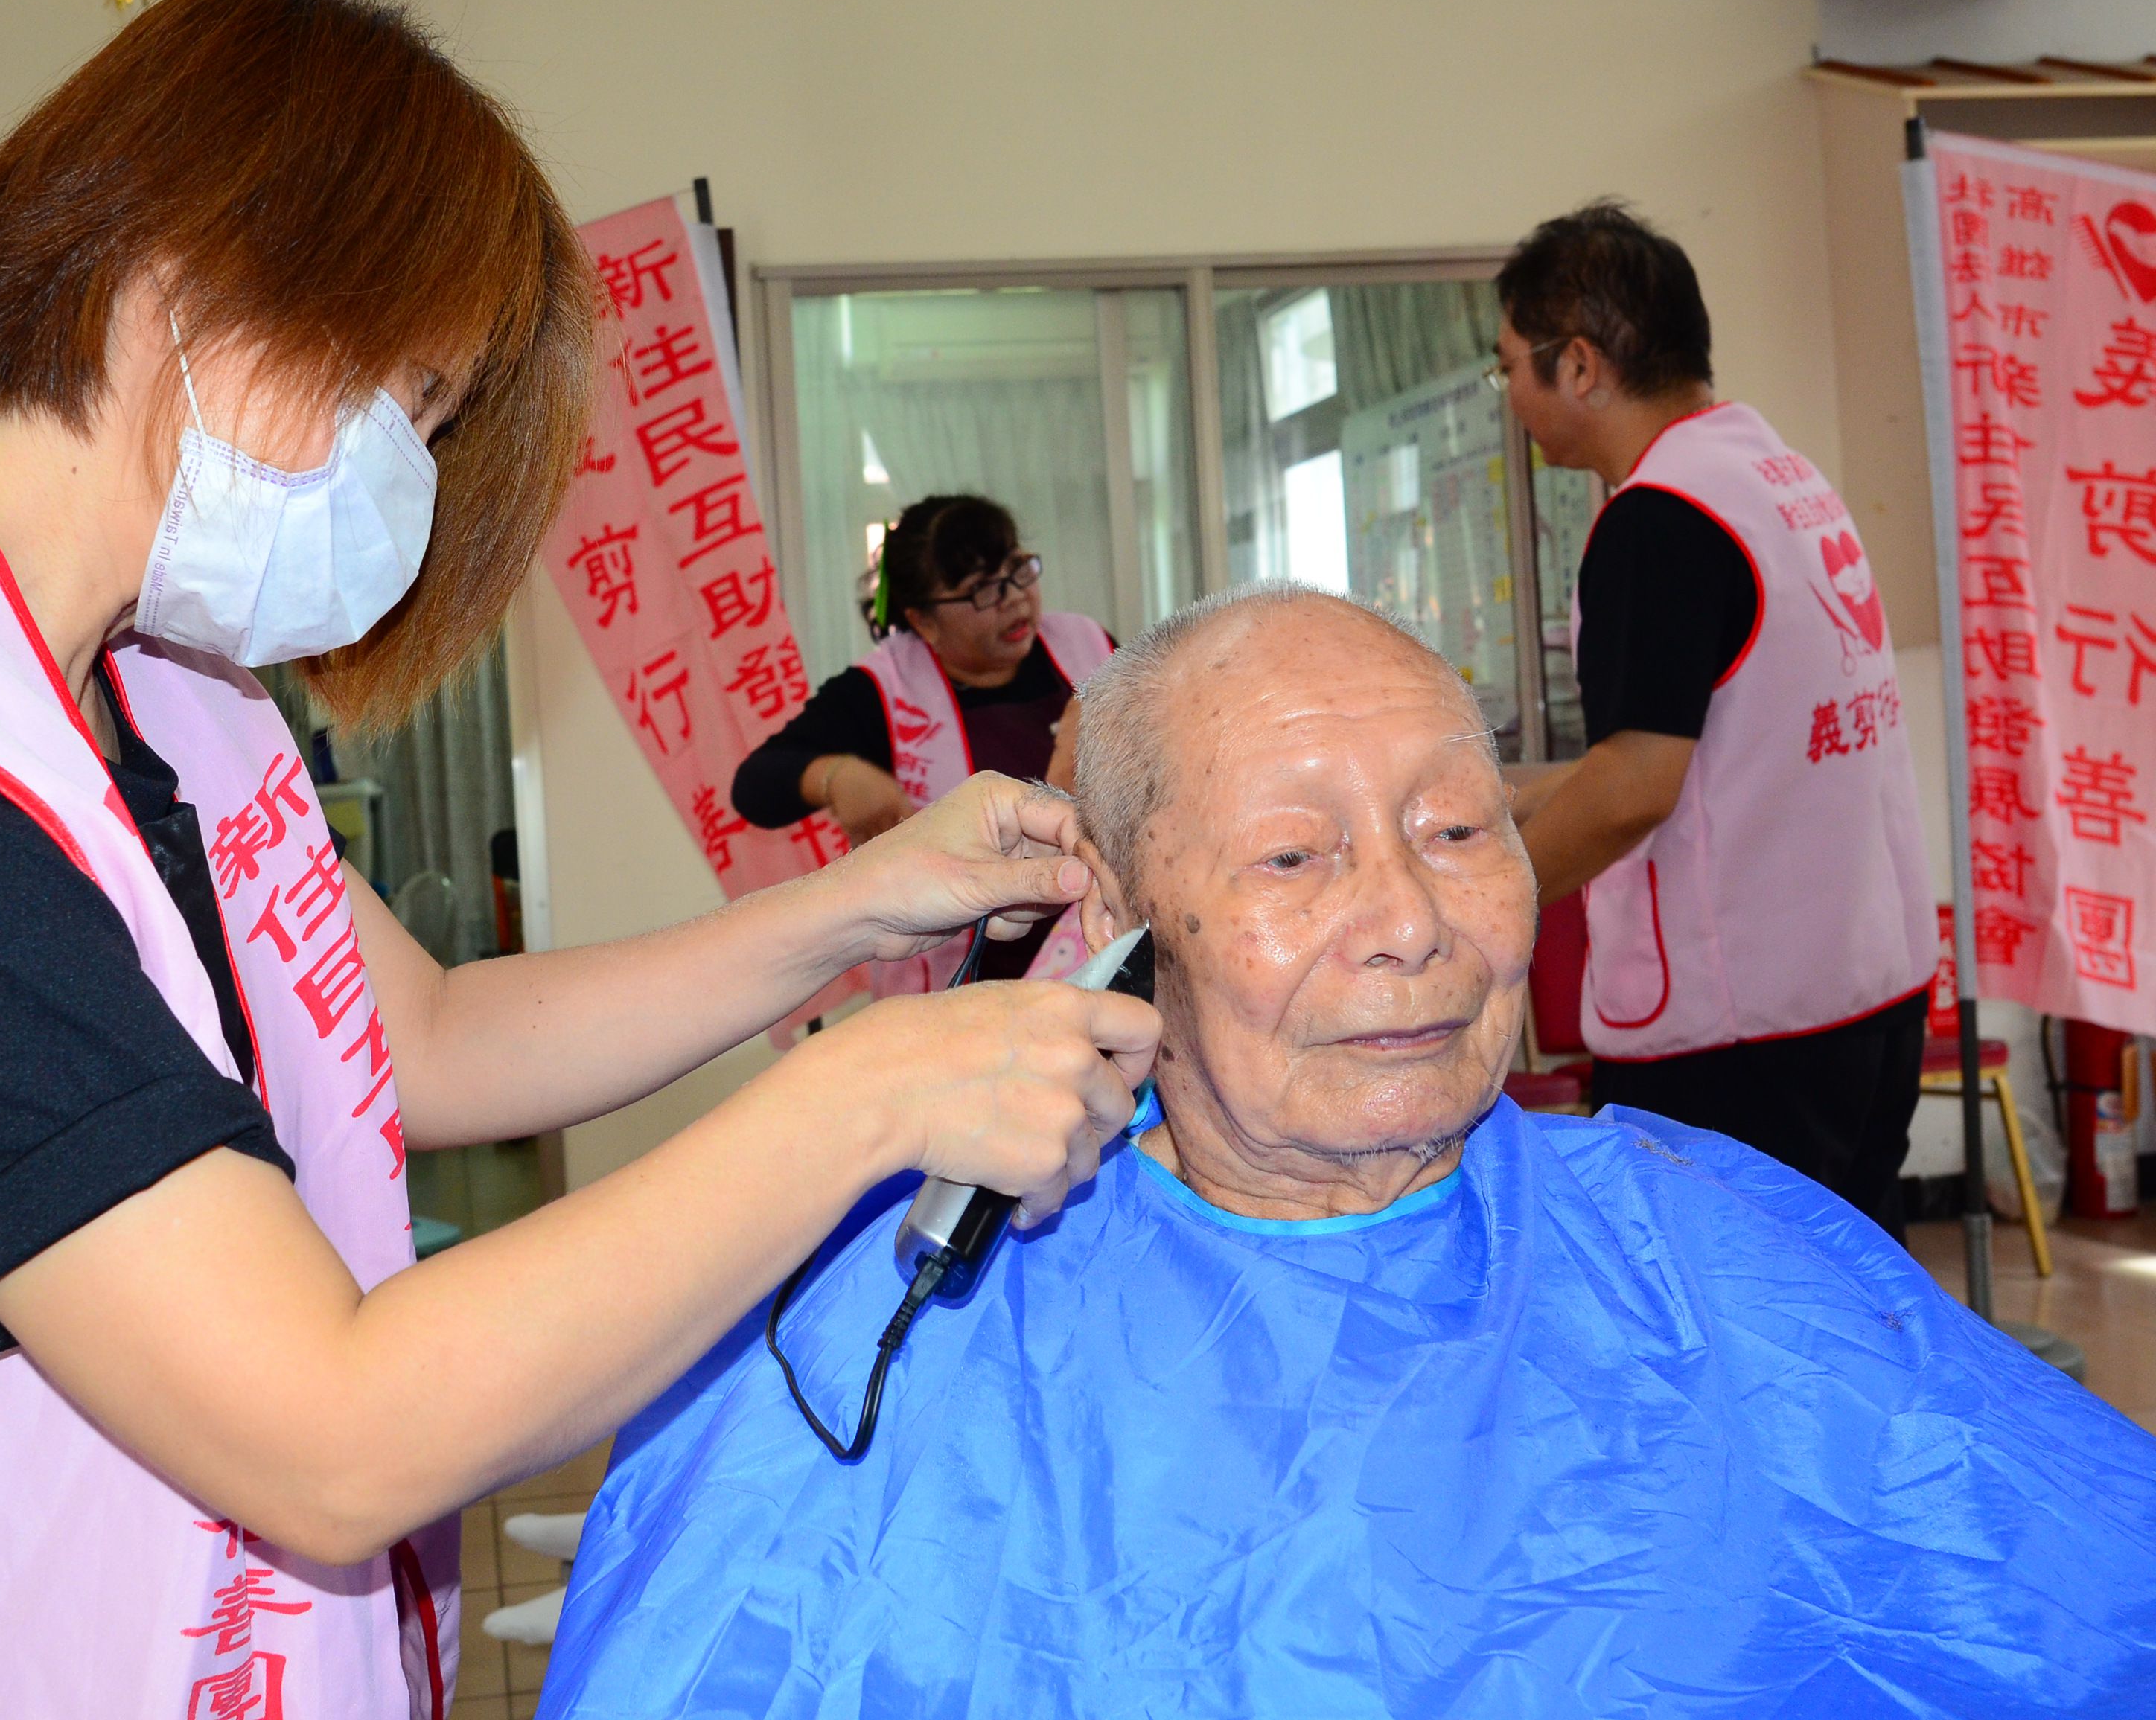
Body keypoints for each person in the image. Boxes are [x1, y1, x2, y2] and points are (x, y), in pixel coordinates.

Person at [0, 0, 1160, 1719]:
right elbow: (332, 1425)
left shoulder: (147, 683)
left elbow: (422, 1037)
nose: (413, 477)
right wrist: (881, 1090)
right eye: (414, 402)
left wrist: (861, 905)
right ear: (191, 282)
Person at [538, 588, 2156, 1720]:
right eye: (1295, 857)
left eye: (1461, 830)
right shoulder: (897, 1314)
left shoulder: (1700, 1238)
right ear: (1110, 924)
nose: (1411, 922)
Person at [1496, 202, 1938, 1238]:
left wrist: (1478, 913)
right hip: (1865, 993)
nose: (1509, 393)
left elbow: (1638, 783)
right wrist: (1497, 795)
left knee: (1734, 1340)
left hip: (1744, 1039)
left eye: (1512, 364)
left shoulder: (1659, 519)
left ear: (1582, 365)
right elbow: (1714, 740)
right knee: (1835, 1321)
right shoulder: (1770, 473)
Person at [731, 493, 1114, 985]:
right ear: (922, 619)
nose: (1015, 598)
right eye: (982, 590)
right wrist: (837, 776)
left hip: (1093, 954)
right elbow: (755, 785)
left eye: (1019, 570)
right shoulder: (881, 690)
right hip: (959, 984)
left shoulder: (1088, 644)